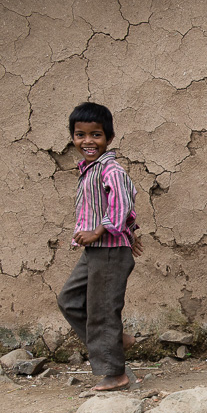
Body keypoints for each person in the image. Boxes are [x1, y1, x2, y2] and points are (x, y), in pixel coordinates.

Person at [58, 102, 143, 392]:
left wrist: (98, 231)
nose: (88, 141)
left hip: (108, 250)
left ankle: (115, 374)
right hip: (97, 250)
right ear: (72, 137)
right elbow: (117, 207)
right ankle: (115, 341)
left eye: (96, 135)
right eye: (80, 135)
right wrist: (131, 232)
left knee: (104, 311)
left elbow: (123, 202)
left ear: (109, 137)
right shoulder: (90, 169)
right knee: (69, 300)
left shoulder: (110, 169)